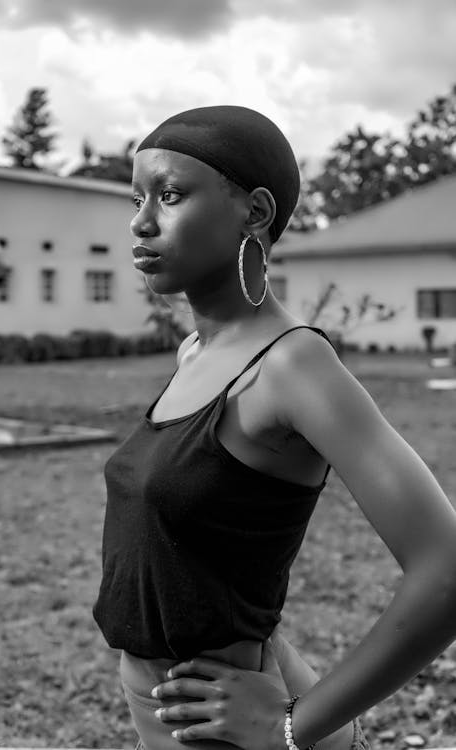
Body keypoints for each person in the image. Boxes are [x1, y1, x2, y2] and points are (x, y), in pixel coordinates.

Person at [92, 105, 456, 750]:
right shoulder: (194, 355)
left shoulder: (292, 365)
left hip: (222, 718)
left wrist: (292, 726)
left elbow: (447, 567)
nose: (141, 223)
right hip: (164, 702)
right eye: (137, 197)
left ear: (255, 214)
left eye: (170, 195)